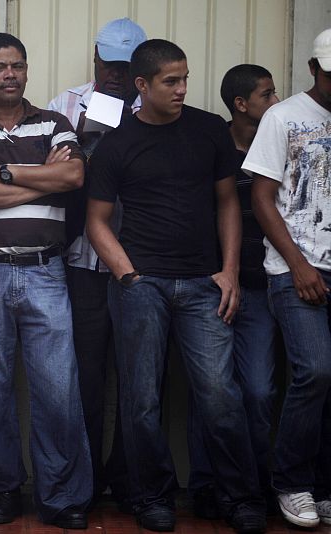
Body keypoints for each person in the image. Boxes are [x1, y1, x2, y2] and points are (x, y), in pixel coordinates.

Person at [85, 39, 266, 534]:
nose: (182, 88)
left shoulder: (208, 130)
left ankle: (241, 496)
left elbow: (228, 203)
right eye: (171, 81)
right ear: (142, 85)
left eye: (184, 78)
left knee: (220, 395)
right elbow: (96, 221)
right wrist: (128, 276)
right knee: (141, 401)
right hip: (143, 284)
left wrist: (228, 271)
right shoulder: (118, 143)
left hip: (204, 282)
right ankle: (151, 497)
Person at [0, 32, 92, 529]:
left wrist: (5, 172)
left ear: (26, 71)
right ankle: (2, 490)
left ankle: (62, 498)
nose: (9, 75)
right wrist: (38, 177)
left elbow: (73, 177)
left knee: (58, 389)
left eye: (17, 66)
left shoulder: (54, 122)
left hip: (45, 271)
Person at [47, 17, 146, 506]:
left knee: (138, 378)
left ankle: (129, 481)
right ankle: (83, 484)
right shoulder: (64, 105)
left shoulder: (158, 108)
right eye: (109, 65)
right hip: (80, 262)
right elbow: (48, 180)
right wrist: (83, 140)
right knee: (83, 377)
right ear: (95, 57)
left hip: (139, 263)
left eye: (126, 68)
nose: (116, 76)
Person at [244, 28, 331, 529]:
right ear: (315, 69)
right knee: (315, 370)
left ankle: (324, 486)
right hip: (294, 268)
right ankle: (292, 482)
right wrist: (298, 265)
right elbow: (261, 197)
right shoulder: (284, 117)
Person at [187, 64, 281, 520]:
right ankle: (208, 487)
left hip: (263, 286)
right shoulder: (211, 144)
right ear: (241, 105)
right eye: (267, 95)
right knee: (209, 389)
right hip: (212, 285)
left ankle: (255, 486)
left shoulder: (281, 142)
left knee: (260, 392)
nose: (276, 102)